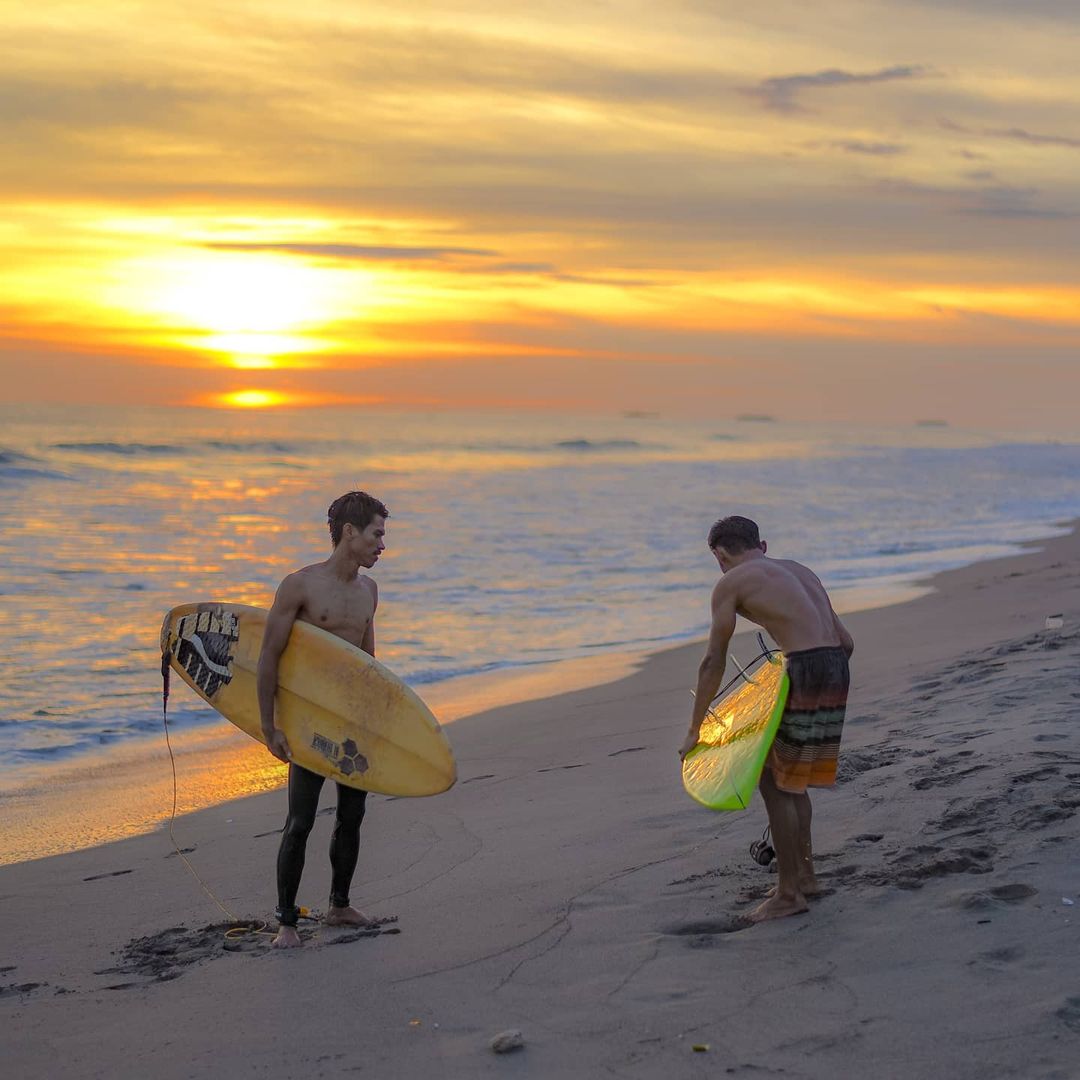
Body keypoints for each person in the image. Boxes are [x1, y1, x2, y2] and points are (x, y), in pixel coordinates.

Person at [679, 515, 854, 923]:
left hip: (805, 666)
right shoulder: (800, 571)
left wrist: (694, 729)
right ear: (763, 545)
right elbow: (845, 642)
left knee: (774, 782)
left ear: (720, 555)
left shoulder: (730, 583)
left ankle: (790, 893)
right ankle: (804, 876)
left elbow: (712, 661)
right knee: (792, 782)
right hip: (834, 666)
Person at [257, 490, 389, 948]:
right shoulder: (300, 586)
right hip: (309, 720)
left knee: (352, 815)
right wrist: (268, 725)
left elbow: (368, 663)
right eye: (376, 534)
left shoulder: (369, 590)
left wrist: (379, 720)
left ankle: (339, 905)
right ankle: (287, 924)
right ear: (349, 533)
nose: (382, 545)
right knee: (301, 821)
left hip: (352, 721)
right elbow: (268, 658)